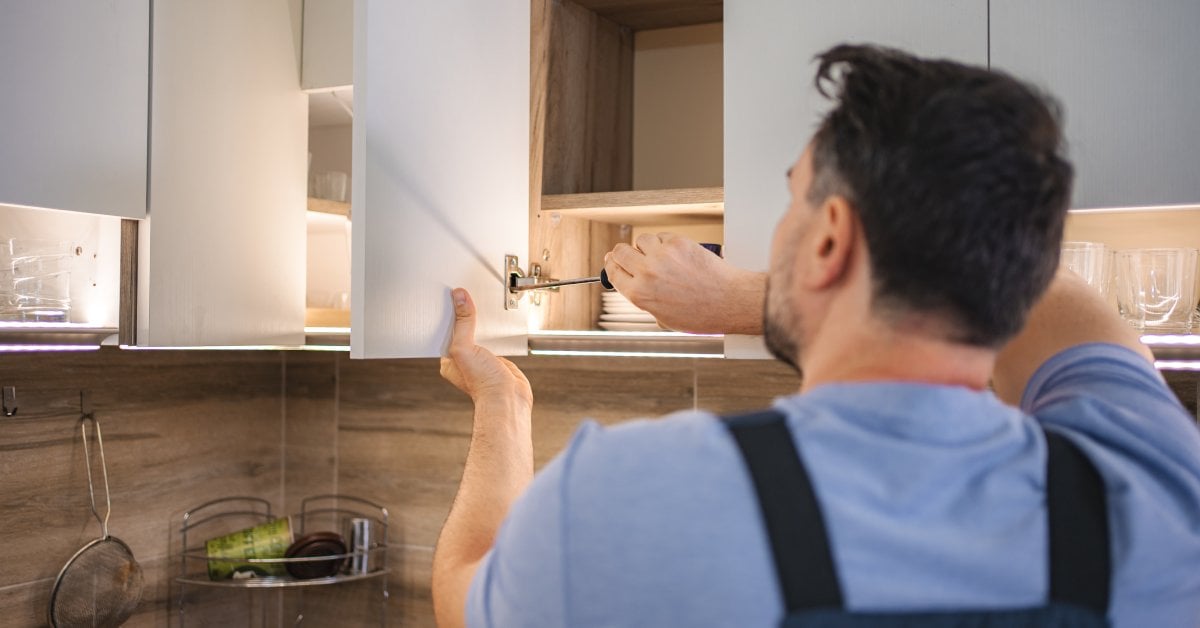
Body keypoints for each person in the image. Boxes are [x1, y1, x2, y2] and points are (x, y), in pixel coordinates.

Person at [431, 44, 1200, 627]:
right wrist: (745, 299)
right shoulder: (1156, 482)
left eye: (794, 199)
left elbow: (464, 590)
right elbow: (1059, 296)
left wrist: (504, 403)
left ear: (831, 239)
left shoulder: (636, 497)